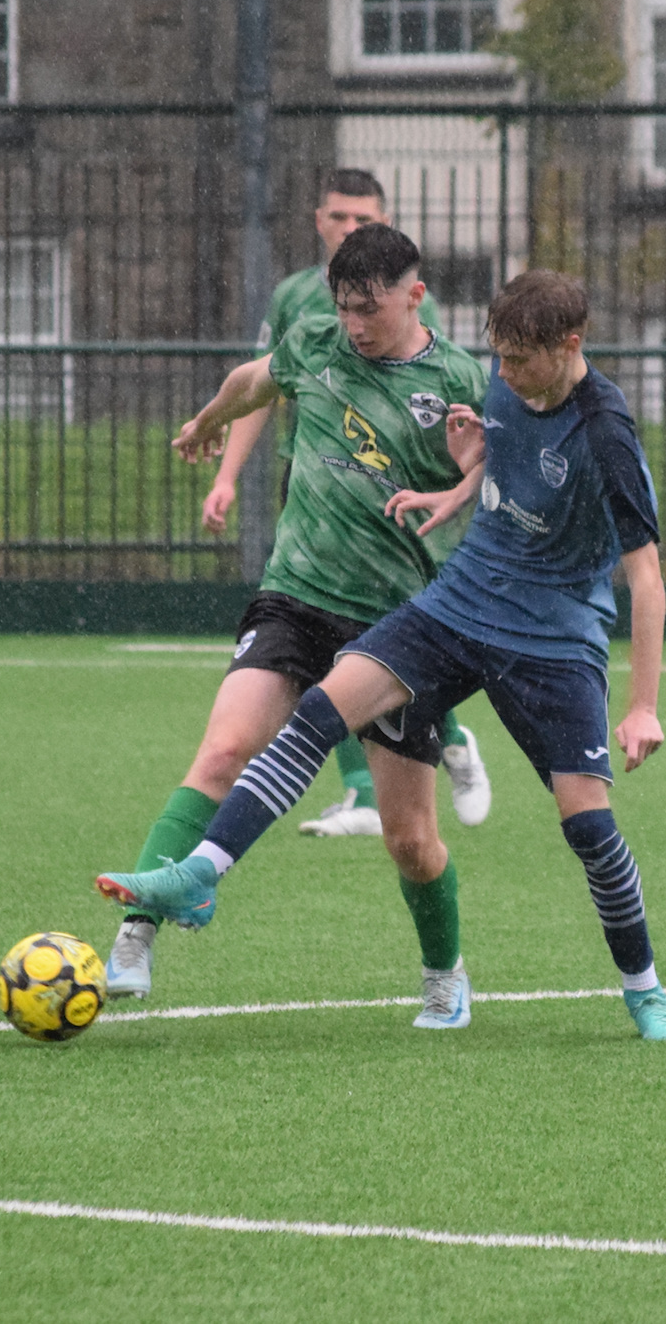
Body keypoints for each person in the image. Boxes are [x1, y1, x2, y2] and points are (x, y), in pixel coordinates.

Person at [97, 270, 666, 1041]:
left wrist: (643, 704)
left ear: (570, 345)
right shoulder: (507, 381)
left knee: (587, 825)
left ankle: (645, 990)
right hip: (461, 601)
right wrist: (454, 489)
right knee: (323, 704)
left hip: (552, 639)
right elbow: (498, 461)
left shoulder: (606, 431)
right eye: (499, 357)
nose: (502, 375)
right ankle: (199, 875)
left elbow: (647, 580)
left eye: (518, 361)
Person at [102, 224, 488, 1025]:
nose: (354, 324)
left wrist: (469, 472)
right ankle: (137, 931)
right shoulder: (315, 340)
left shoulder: (455, 378)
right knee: (222, 750)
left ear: (415, 296)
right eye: (345, 308)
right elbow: (256, 377)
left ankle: (445, 973)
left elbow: (493, 473)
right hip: (295, 595)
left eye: (370, 310)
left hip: (393, 628)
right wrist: (210, 419)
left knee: (409, 839)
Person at [208, 167, 492, 839]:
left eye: (364, 220)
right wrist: (225, 471)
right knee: (319, 638)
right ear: (318, 220)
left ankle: (449, 740)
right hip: (313, 478)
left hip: (398, 505)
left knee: (384, 635)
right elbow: (261, 386)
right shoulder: (296, 302)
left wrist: (459, 479)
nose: (350, 230)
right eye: (339, 218)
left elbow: (467, 427)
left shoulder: (423, 323)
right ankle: (361, 788)